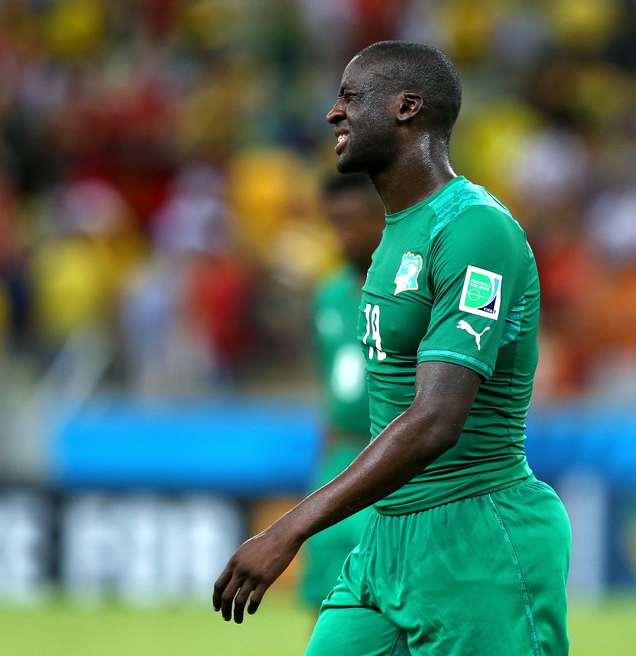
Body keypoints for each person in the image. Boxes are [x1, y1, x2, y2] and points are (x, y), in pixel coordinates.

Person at [214, 40, 571, 655]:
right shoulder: (392, 239)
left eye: (351, 98)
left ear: (407, 108)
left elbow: (436, 420)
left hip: (477, 537)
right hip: (386, 539)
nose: (334, 113)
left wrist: (288, 529)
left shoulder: (474, 229)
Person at [299, 173, 385, 614]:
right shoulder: (328, 295)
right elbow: (330, 387)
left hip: (388, 459)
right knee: (324, 597)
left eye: (353, 220)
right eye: (335, 222)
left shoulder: (408, 289)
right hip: (339, 459)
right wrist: (324, 463)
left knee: (380, 599)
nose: (343, 234)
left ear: (381, 216)